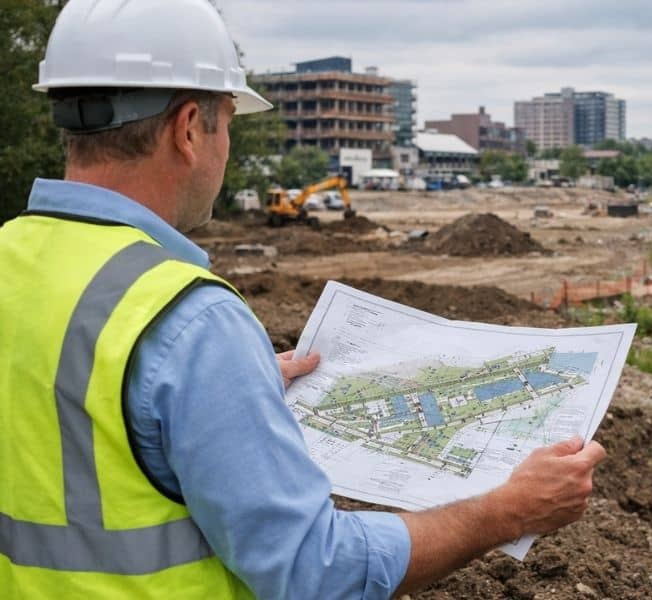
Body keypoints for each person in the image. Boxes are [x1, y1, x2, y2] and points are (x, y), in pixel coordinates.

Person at [0, 1, 606, 598]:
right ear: (189, 129)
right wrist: (506, 512)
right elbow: (316, 573)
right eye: (229, 124)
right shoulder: (189, 323)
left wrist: (218, 391)